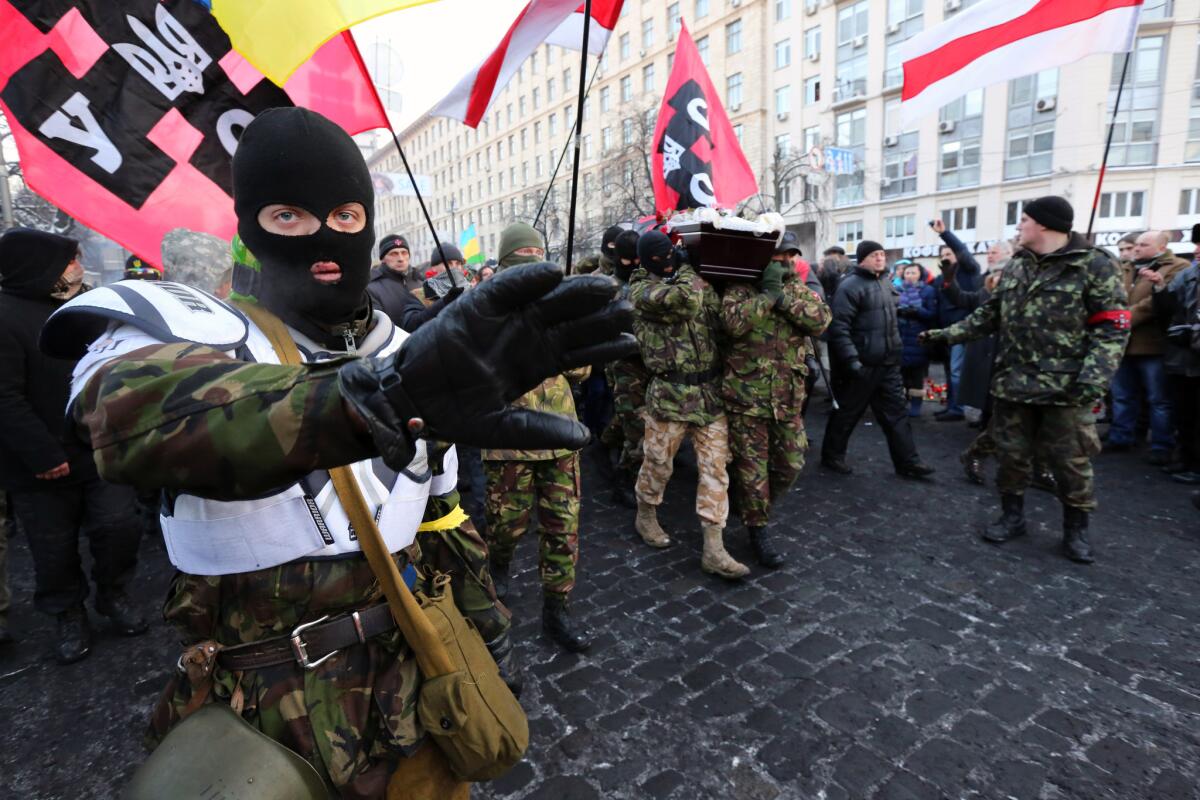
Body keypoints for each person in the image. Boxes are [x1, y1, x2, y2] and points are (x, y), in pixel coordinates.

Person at [44, 107, 633, 793]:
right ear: (249, 225)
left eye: (348, 216)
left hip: (413, 683)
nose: (325, 237)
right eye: (288, 217)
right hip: (264, 715)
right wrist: (359, 404)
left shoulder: (406, 348)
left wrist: (488, 631)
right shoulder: (176, 329)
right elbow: (134, 418)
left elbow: (439, 517)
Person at [921, 196, 1128, 564]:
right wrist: (945, 335)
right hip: (1013, 383)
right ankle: (1012, 516)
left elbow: (1112, 328)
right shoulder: (1017, 265)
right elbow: (989, 315)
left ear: (1046, 225)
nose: (1019, 227)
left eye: (1025, 220)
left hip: (1067, 388)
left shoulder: (1094, 265)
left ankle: (1075, 530)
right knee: (1012, 456)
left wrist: (1094, 379)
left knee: (1071, 462)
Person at [0, 229, 145, 665]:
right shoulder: (5, 316)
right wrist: (44, 456)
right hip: (40, 465)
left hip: (100, 448)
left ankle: (113, 593)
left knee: (119, 526)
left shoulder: (91, 304)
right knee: (52, 547)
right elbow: (5, 397)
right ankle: (68, 613)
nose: (77, 266)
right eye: (68, 260)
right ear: (39, 267)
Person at [482, 222, 593, 653]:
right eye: (520, 258)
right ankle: (500, 567)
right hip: (508, 438)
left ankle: (557, 608)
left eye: (536, 255)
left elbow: (582, 368)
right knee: (506, 526)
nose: (530, 264)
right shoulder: (486, 311)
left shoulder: (558, 307)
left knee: (562, 529)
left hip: (561, 437)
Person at [630, 231, 748, 579]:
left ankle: (714, 547)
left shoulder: (696, 279)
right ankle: (646, 514)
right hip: (669, 396)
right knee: (658, 463)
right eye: (661, 256)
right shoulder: (641, 291)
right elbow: (686, 301)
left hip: (708, 395)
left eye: (671, 253)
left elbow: (719, 319)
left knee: (715, 470)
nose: (668, 259)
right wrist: (687, 268)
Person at [720, 242, 831, 567]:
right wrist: (765, 296)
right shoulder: (739, 288)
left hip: (787, 398)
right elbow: (732, 323)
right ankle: (758, 529)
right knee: (753, 471)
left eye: (788, 257)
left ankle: (747, 504)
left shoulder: (797, 289)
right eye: (776, 257)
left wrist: (780, 298)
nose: (784, 262)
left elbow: (821, 321)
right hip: (746, 398)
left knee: (790, 464)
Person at [821, 240, 936, 479]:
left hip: (888, 363)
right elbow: (839, 327)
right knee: (847, 414)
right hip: (861, 365)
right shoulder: (850, 286)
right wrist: (852, 361)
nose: (880, 258)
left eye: (882, 254)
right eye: (875, 255)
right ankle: (832, 455)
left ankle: (908, 461)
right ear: (863, 259)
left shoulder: (886, 283)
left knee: (897, 414)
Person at [1105, 231, 1189, 464]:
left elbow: (1157, 303)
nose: (1136, 248)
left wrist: (1122, 319)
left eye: (1143, 245)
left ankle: (1161, 444)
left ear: (1162, 247)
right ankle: (1121, 436)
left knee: (1158, 399)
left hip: (1153, 344)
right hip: (1123, 344)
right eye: (1136, 244)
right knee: (1122, 395)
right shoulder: (1126, 268)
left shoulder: (1177, 267)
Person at [598, 229, 648, 509]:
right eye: (629, 261)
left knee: (627, 417)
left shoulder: (646, 281)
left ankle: (605, 442)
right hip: (623, 364)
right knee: (635, 428)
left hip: (649, 361)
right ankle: (623, 479)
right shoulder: (609, 288)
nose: (634, 266)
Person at [1151, 250, 1200, 485]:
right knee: (1184, 413)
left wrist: (1193, 334)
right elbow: (1168, 309)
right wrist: (1160, 287)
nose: (1197, 249)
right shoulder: (1188, 275)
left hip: (1192, 352)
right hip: (1183, 358)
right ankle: (1186, 459)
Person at [930, 219, 984, 422]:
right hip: (945, 330)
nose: (946, 257)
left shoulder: (969, 271)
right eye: (942, 255)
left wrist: (945, 234)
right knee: (949, 370)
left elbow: (963, 252)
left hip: (962, 329)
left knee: (956, 371)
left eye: (949, 253)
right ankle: (952, 405)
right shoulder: (940, 279)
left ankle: (958, 407)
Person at [367, 234, 464, 333]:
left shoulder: (421, 281)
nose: (401, 258)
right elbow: (374, 326)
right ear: (383, 258)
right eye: (394, 254)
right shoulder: (371, 288)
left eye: (404, 253)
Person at [895, 260, 938, 417]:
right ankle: (902, 402)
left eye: (914, 272)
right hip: (901, 336)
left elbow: (932, 314)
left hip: (919, 337)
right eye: (907, 272)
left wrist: (916, 311)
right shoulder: (897, 289)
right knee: (902, 373)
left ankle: (916, 405)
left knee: (917, 375)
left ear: (920, 274)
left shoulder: (928, 291)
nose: (910, 275)